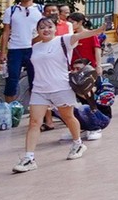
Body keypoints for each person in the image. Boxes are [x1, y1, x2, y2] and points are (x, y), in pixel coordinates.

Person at [11, 14, 84, 172]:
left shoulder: (63, 41)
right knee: (34, 122)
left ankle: (78, 144)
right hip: (40, 89)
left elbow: (80, 35)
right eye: (42, 27)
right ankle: (29, 158)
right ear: (37, 30)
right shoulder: (35, 46)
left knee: (68, 117)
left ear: (55, 29)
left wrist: (100, 29)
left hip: (61, 87)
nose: (46, 30)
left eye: (49, 26)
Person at [0, 0, 43, 105]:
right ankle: (9, 109)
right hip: (15, 48)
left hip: (35, 48)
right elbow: (6, 31)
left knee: (35, 80)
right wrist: (3, 51)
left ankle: (35, 108)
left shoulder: (40, 9)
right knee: (11, 80)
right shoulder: (11, 10)